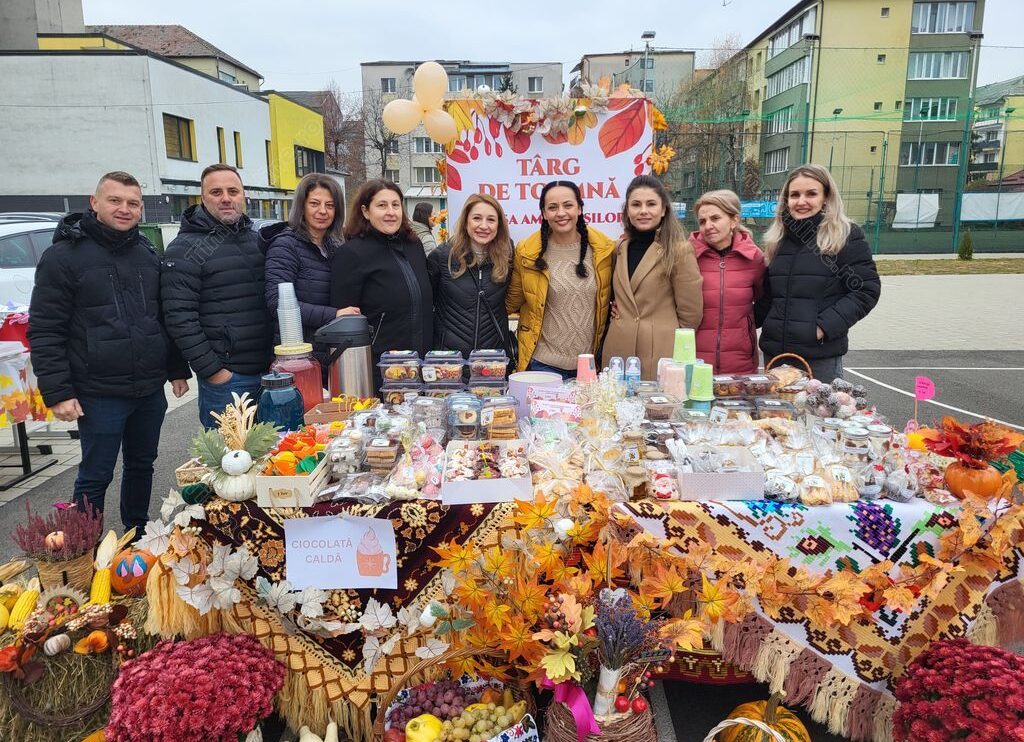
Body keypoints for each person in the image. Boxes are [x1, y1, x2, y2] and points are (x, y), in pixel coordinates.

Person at [28, 171, 190, 534]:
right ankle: (83, 548)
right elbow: (46, 329)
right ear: (94, 203)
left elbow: (162, 317)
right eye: (115, 200)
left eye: (133, 203)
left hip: (148, 389)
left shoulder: (146, 253)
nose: (124, 209)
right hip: (98, 392)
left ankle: (135, 532)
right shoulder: (63, 257)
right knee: (95, 473)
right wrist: (59, 392)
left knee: (142, 465)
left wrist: (177, 369)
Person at [161, 164, 272, 428]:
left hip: (271, 374)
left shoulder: (258, 240)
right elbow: (179, 318)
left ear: (244, 195)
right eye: (216, 192)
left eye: (233, 191)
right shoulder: (185, 249)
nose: (226, 198)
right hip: (228, 380)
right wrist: (213, 371)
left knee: (278, 450)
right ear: (203, 198)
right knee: (229, 452)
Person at [755, 164, 881, 382]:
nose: (801, 201)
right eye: (795, 195)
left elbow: (865, 290)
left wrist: (823, 327)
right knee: (777, 406)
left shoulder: (845, 236)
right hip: (776, 355)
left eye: (811, 194)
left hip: (820, 357)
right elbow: (769, 298)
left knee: (818, 406)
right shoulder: (778, 240)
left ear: (826, 198)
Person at [330, 179, 433, 391]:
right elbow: (344, 320)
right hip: (381, 370)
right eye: (382, 205)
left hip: (421, 366)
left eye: (396, 205)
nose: (391, 212)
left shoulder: (414, 246)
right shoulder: (352, 253)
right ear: (365, 211)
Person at [506, 180, 615, 378]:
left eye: (568, 205)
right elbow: (510, 302)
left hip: (590, 365)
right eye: (552, 207)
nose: (561, 213)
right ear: (544, 213)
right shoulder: (527, 253)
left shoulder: (605, 250)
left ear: (579, 209)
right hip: (542, 364)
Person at [603, 174, 703, 380]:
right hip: (618, 352)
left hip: (659, 355)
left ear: (663, 209)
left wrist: (667, 341)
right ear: (627, 210)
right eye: (636, 204)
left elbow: (691, 314)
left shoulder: (678, 250)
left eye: (651, 204)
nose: (643, 211)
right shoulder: (619, 249)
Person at [262, 174, 359, 384]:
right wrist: (335, 314)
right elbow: (277, 303)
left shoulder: (334, 247)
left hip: (328, 353)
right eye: (314, 203)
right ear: (302, 207)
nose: (322, 211)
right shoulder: (285, 246)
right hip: (297, 359)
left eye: (330, 205)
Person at [427, 194, 515, 362]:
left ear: (499, 225)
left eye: (491, 220)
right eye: (477, 218)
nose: (484, 226)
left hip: (492, 360)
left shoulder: (508, 256)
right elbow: (425, 304)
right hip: (450, 361)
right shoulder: (442, 256)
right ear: (466, 221)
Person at [690, 189, 766, 375]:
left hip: (740, 362)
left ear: (734, 220)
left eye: (715, 218)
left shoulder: (754, 257)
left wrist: (744, 329)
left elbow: (763, 300)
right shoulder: (687, 256)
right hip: (695, 361)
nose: (708, 226)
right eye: (702, 221)